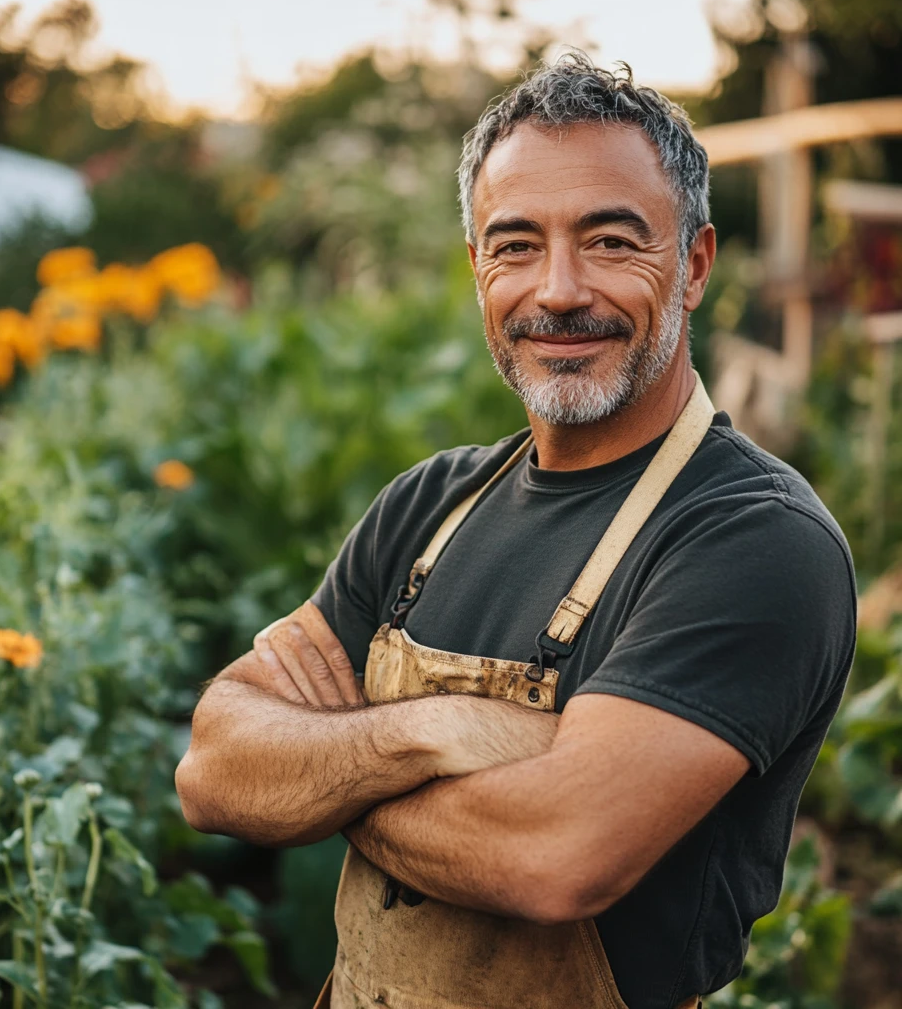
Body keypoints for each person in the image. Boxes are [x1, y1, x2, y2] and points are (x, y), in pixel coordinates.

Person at [175, 52, 856, 1009]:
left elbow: (557, 856)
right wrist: (443, 731)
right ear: (477, 269)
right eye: (517, 244)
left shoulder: (751, 540)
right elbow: (213, 770)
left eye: (612, 242)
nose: (560, 290)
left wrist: (327, 774)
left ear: (695, 264)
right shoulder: (428, 506)